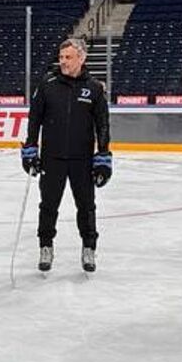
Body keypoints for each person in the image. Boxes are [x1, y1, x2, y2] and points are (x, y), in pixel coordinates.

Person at [23, 39, 112, 274]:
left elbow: (102, 124)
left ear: (81, 59)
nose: (62, 61)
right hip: (52, 159)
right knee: (48, 206)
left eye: (68, 57)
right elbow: (34, 119)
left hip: (82, 160)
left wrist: (103, 157)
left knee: (86, 206)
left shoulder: (94, 88)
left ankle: (89, 247)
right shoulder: (47, 84)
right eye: (61, 57)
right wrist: (30, 148)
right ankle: (45, 246)